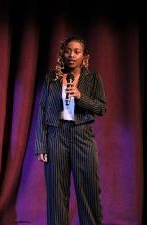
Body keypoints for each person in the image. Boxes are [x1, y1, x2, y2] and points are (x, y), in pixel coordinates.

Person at [35, 35, 107, 225]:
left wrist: (81, 96)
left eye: (77, 51)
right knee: (56, 193)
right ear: (62, 54)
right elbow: (42, 110)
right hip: (56, 136)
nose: (72, 55)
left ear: (85, 56)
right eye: (68, 51)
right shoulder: (52, 78)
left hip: (82, 136)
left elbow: (101, 108)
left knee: (89, 190)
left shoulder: (92, 79)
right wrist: (41, 144)